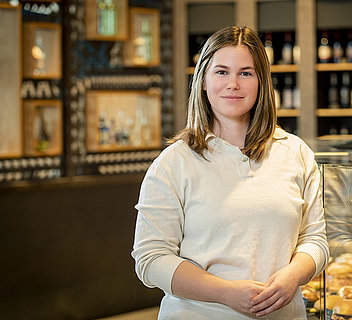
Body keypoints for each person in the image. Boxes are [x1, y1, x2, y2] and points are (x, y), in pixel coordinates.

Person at [131, 25, 329, 320]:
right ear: (203, 81)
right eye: (221, 72)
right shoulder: (174, 163)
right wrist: (225, 293)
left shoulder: (296, 153)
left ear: (262, 82)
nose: (233, 84)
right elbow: (151, 259)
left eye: (245, 73)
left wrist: (293, 276)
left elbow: (316, 240)